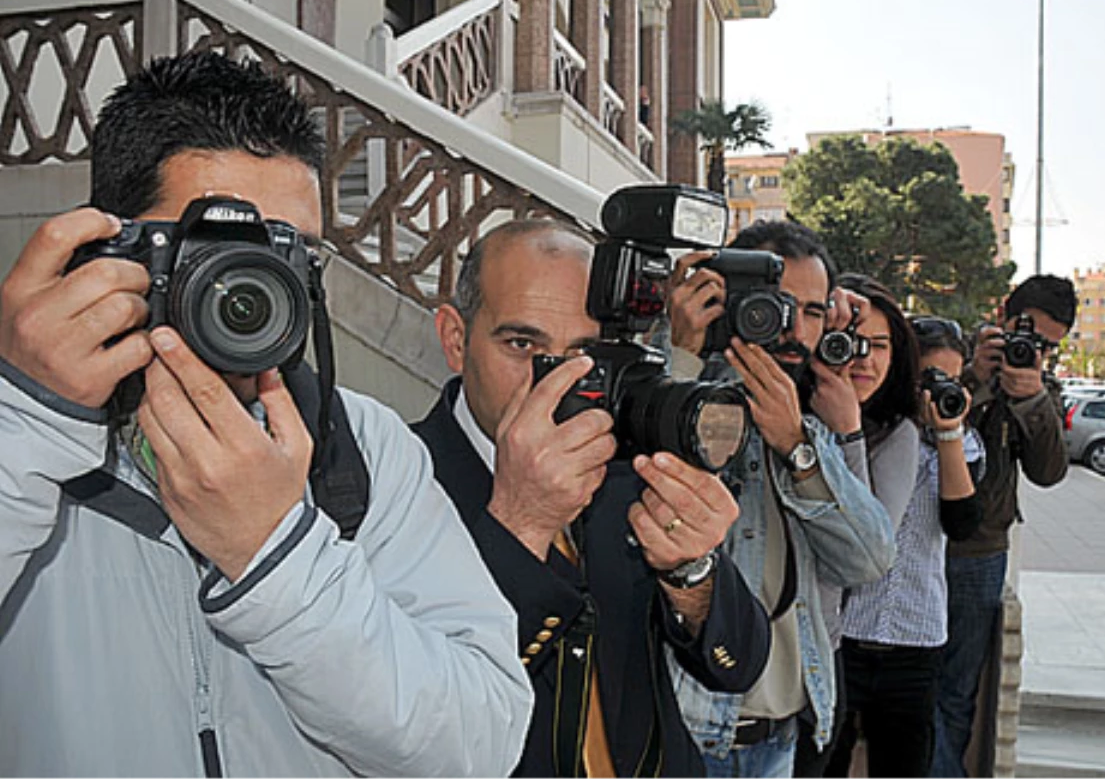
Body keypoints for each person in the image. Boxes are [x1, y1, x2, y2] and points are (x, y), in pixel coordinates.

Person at [0, 52, 533, 778]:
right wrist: (27, 427)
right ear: (110, 246)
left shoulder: (361, 450)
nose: (254, 287)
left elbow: (481, 744)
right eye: (215, 250)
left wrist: (275, 558)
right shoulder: (20, 440)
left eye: (289, 254)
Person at [412, 219, 771, 777]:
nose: (558, 381)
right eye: (523, 344)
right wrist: (521, 525)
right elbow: (417, 712)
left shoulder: (631, 467)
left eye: (586, 352)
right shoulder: (391, 483)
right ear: (455, 339)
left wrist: (692, 576)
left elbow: (737, 666)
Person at [664, 220, 896, 779]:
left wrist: (797, 445)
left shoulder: (804, 424)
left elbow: (869, 560)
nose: (793, 327)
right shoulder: (678, 391)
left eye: (814, 311)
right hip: (687, 731)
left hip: (783, 738)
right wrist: (681, 358)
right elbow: (645, 505)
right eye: (778, 304)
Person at [823, 303, 984, 779]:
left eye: (951, 382)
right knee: (827, 761)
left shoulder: (962, 446)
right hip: (847, 632)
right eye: (929, 379)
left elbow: (962, 523)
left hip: (916, 638)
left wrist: (948, 433)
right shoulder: (862, 429)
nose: (938, 392)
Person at [930, 273, 1076, 779]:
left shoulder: (1038, 383)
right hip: (916, 542)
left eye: (1046, 345)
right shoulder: (953, 353)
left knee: (955, 693)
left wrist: (1032, 399)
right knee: (905, 684)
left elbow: (1049, 472)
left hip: (979, 550)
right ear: (1003, 313)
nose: (1029, 347)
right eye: (1026, 331)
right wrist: (973, 379)